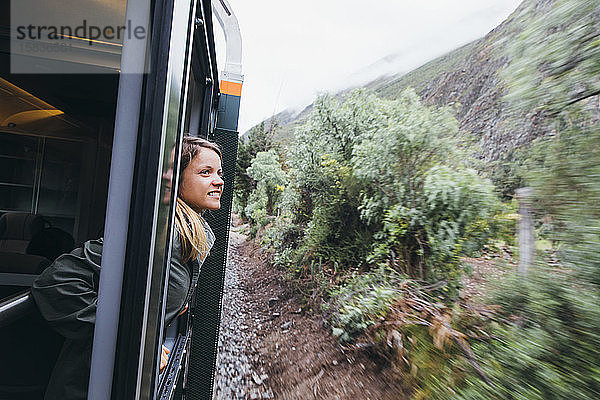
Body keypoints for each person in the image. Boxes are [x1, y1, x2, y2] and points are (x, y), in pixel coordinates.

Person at [31, 136, 224, 400]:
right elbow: (55, 282)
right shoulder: (156, 235)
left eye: (219, 173)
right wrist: (133, 336)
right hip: (88, 385)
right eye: (205, 172)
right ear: (174, 181)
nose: (219, 181)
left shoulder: (189, 235)